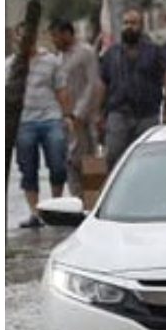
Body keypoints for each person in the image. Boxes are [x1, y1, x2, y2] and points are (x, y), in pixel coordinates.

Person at [97, 8, 166, 172]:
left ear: (141, 26)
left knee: (148, 159)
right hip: (118, 113)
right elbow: (102, 84)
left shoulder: (155, 51)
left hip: (147, 114)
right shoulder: (111, 53)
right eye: (126, 23)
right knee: (113, 155)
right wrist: (99, 113)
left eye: (133, 23)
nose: (129, 27)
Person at [10, 24, 72, 228]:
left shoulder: (50, 61)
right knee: (28, 169)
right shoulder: (9, 65)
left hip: (51, 118)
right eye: (19, 38)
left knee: (58, 165)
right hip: (24, 122)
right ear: (15, 40)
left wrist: (67, 116)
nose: (23, 41)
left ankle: (54, 208)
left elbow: (61, 89)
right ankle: (35, 213)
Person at [47, 17, 103, 199]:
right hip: (65, 119)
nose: (53, 41)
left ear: (66, 33)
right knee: (70, 162)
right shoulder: (58, 58)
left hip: (84, 119)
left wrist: (79, 113)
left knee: (88, 161)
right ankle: (77, 201)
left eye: (55, 36)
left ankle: (92, 201)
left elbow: (92, 84)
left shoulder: (85, 52)